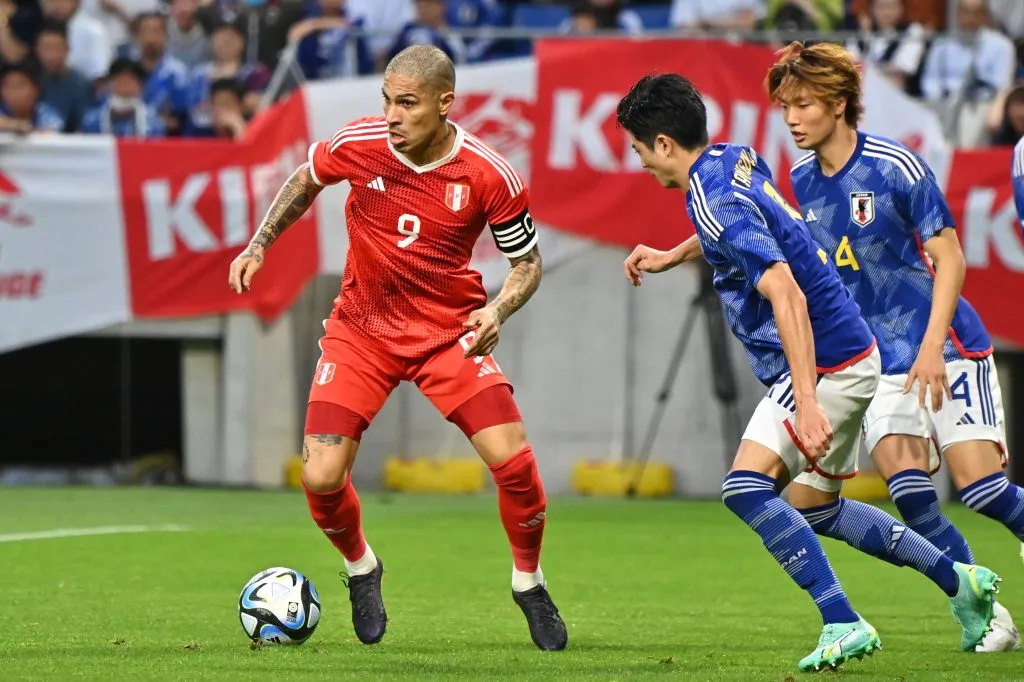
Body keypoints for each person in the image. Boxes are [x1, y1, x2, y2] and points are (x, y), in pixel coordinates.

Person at [618, 73, 1001, 670]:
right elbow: (761, 228)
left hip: (828, 364)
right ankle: (961, 581)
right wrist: (674, 253)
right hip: (848, 352)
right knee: (815, 508)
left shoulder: (711, 197)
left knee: (746, 490)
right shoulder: (732, 161)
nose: (640, 162)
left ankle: (843, 621)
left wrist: (809, 400)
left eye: (640, 149)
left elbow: (787, 295)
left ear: (664, 143)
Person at [226, 44, 567, 652]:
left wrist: (498, 309)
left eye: (406, 103)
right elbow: (308, 176)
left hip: (447, 335)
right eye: (386, 100)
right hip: (362, 331)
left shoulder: (488, 174)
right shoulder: (360, 143)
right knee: (322, 474)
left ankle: (528, 582)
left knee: (513, 462)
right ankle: (362, 568)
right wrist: (259, 243)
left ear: (444, 104)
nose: (391, 115)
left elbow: (527, 265)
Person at [769, 41, 1020, 653]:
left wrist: (933, 347)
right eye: (784, 107)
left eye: (802, 104)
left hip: (946, 343)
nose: (792, 118)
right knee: (909, 493)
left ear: (837, 103)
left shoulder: (895, 167)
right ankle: (990, 615)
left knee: (982, 490)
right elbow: (763, 230)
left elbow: (950, 258)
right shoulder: (802, 180)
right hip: (879, 362)